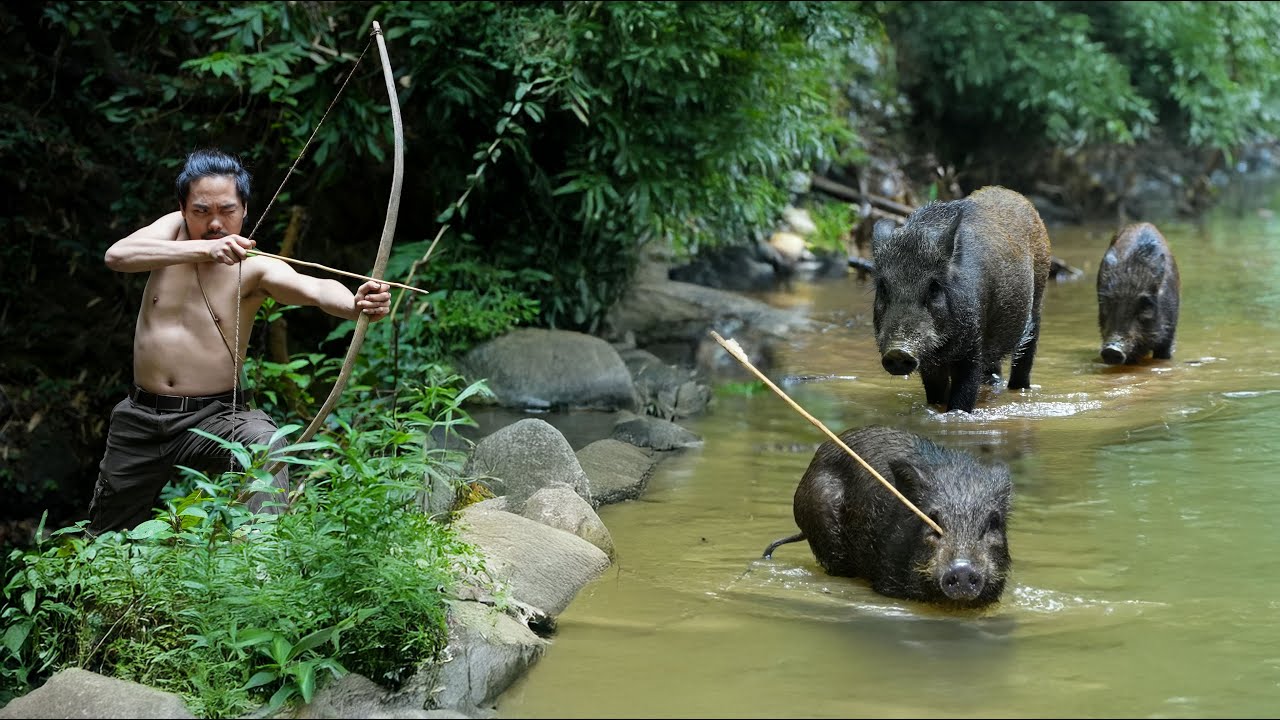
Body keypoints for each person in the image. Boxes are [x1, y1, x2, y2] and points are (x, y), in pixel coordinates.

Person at [87, 148, 392, 535]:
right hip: (141, 415)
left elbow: (315, 287)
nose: (215, 223)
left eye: (227, 210)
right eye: (201, 211)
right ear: (182, 208)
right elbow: (117, 255)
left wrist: (356, 303)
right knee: (105, 537)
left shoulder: (256, 269)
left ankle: (258, 561)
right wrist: (204, 249)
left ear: (245, 209)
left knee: (268, 445)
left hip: (216, 414)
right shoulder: (169, 235)